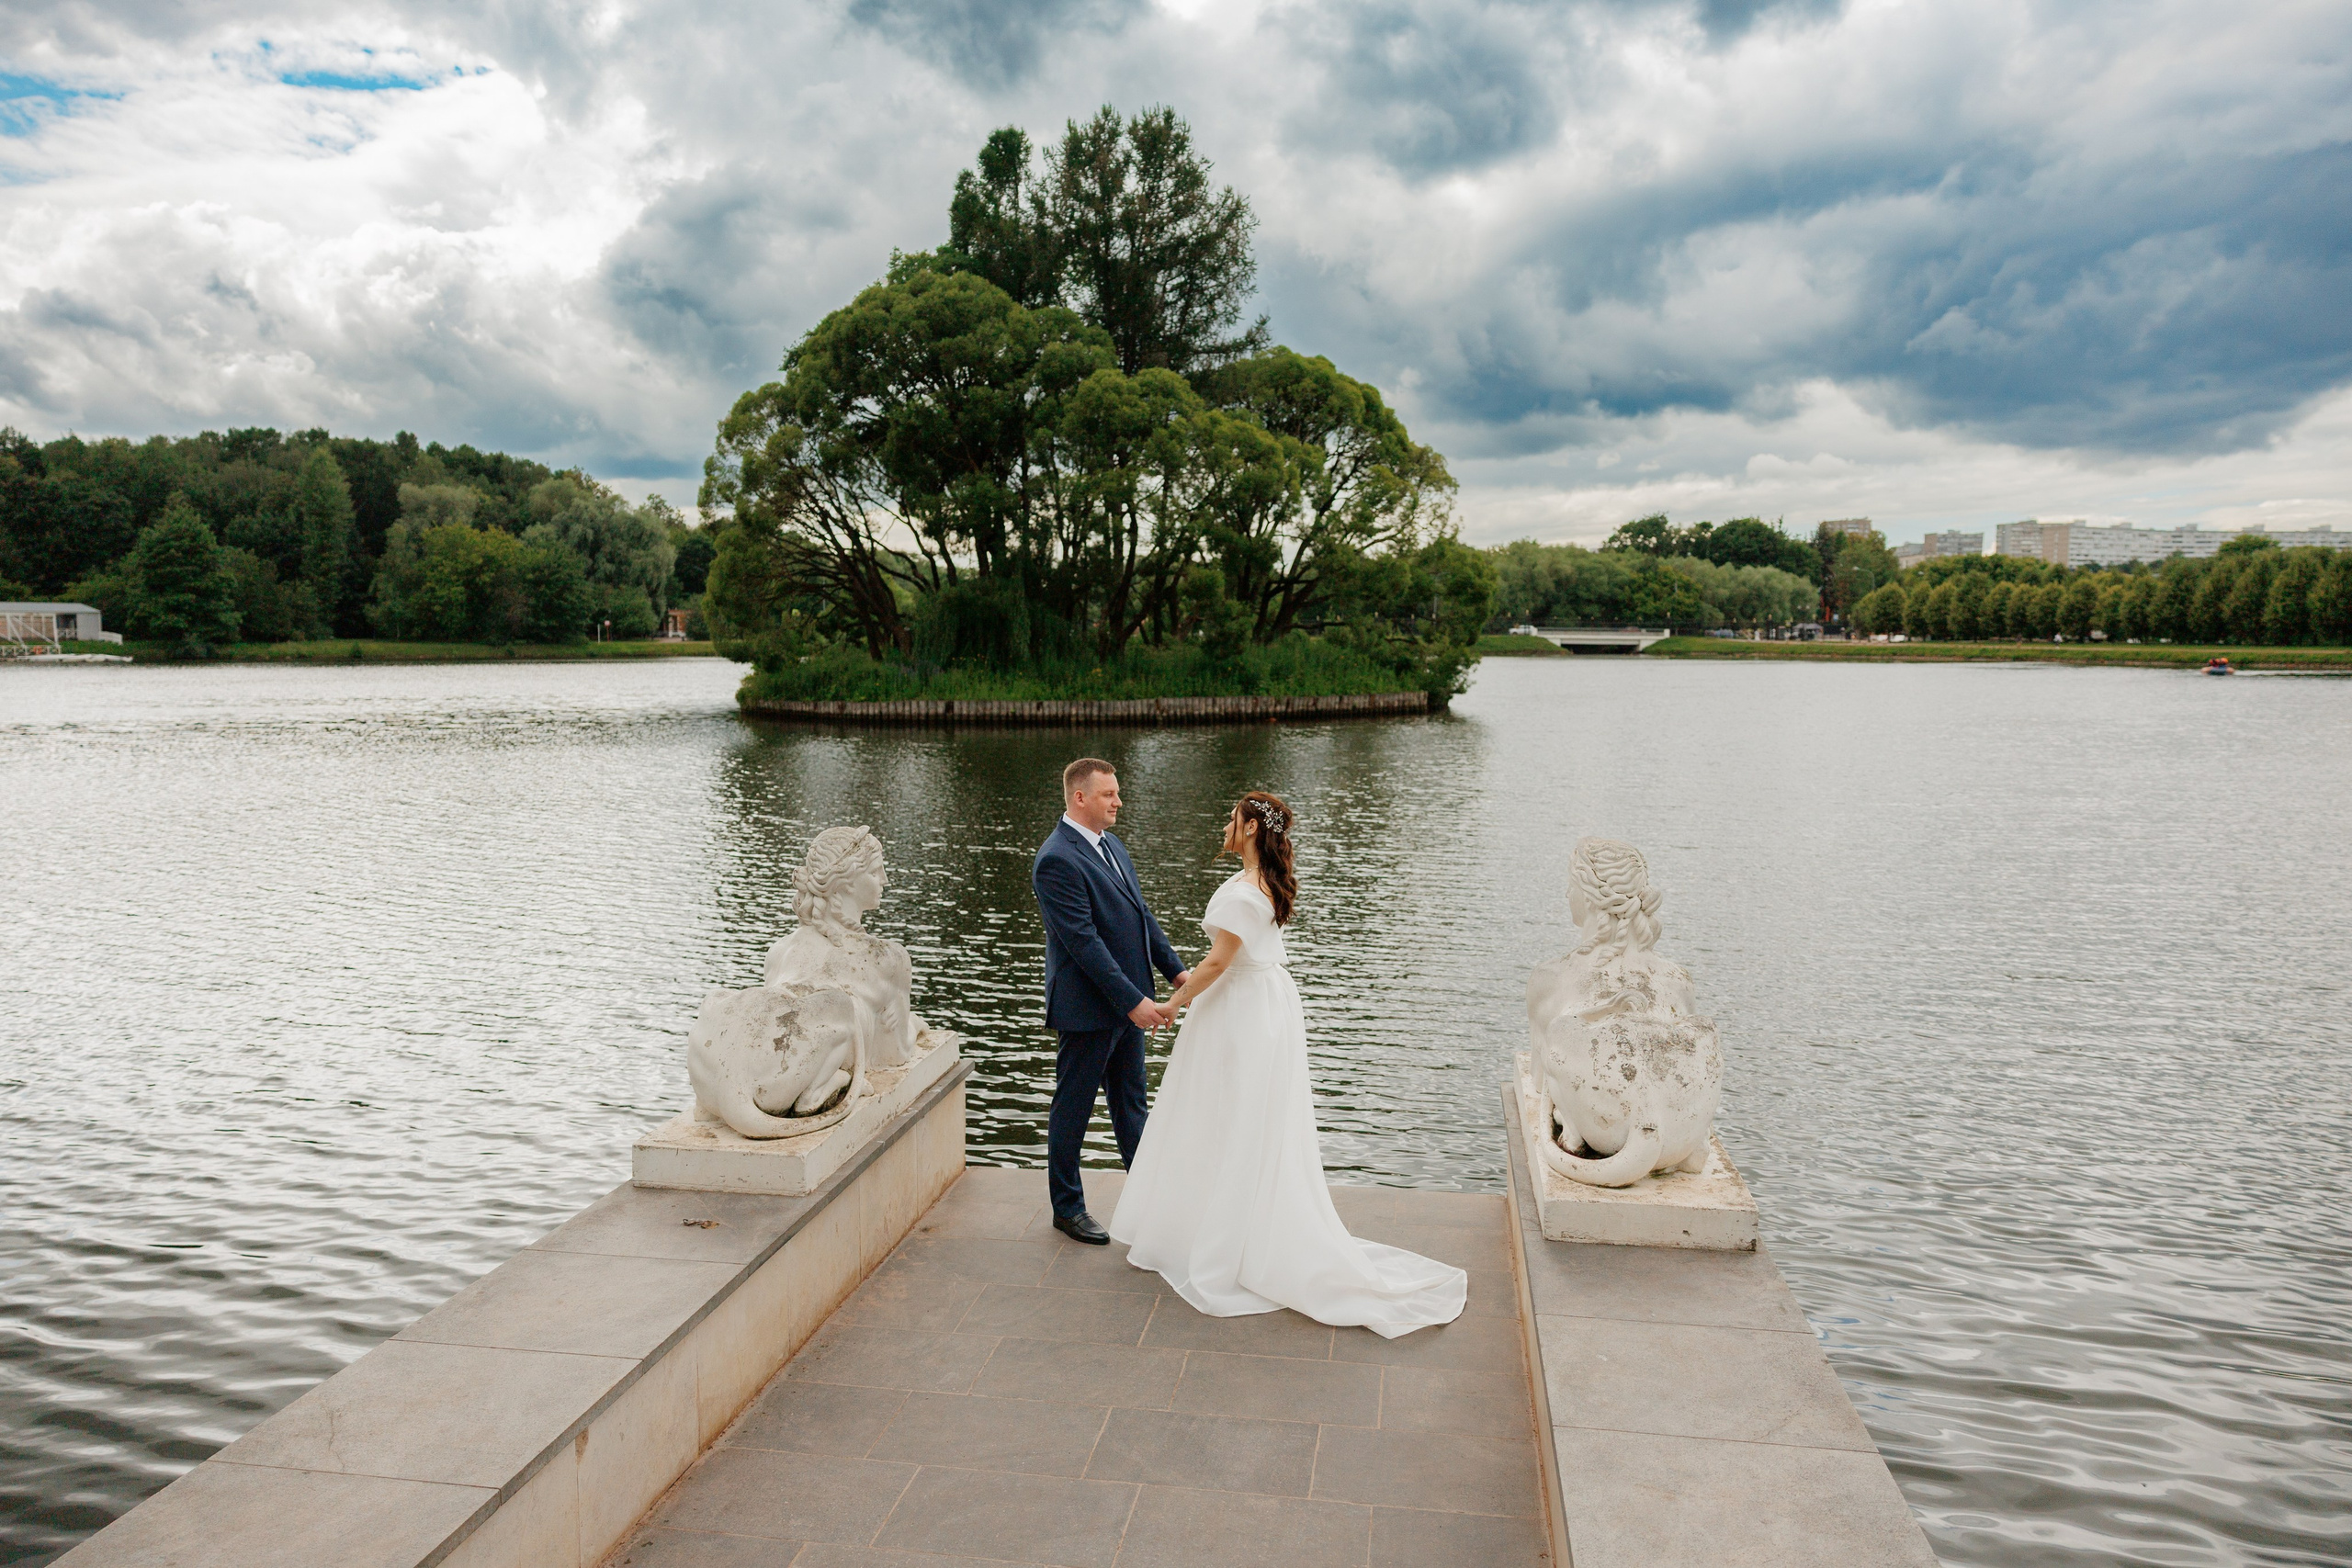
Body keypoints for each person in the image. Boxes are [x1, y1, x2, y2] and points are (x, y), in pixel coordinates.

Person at [1110, 791, 1467, 1337]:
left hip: (1242, 1009)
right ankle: (1227, 1221)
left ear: (1251, 827)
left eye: (1232, 818)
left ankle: (1226, 1237)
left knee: (1229, 1114)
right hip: (1264, 1004)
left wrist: (1171, 1003)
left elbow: (1218, 961)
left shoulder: (1243, 892)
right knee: (1248, 1117)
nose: (1225, 825)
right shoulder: (1267, 883)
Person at [1031, 758, 1188, 1245]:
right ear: (1080, 797)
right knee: (1073, 1109)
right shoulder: (1056, 858)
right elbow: (1084, 943)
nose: (1118, 801)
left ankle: (1149, 1201)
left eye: (1116, 793)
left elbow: (1142, 920)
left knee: (1131, 1105)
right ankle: (1067, 1208)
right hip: (1087, 1008)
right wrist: (1134, 1001)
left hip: (1128, 1004)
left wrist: (1179, 972)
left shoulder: (1112, 846)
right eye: (1109, 794)